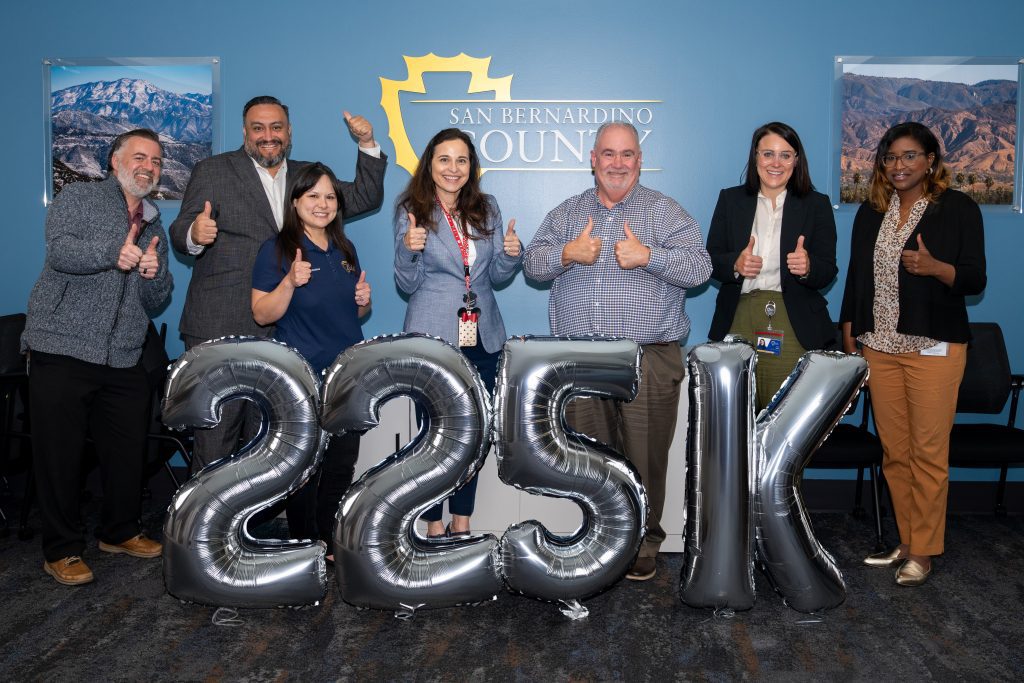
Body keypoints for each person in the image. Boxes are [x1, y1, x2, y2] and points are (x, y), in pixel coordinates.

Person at [524, 121, 712, 581]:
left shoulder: (665, 213)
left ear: (639, 161)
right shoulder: (569, 213)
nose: (617, 163)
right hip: (583, 359)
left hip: (648, 353)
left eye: (627, 154)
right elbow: (532, 264)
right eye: (608, 154)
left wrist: (650, 257)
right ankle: (604, 534)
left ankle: (646, 541)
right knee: (592, 456)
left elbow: (700, 268)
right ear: (593, 159)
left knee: (645, 455)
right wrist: (568, 252)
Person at [170, 96, 386, 469]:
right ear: (245, 132)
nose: (267, 136)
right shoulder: (213, 170)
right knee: (216, 436)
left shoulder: (307, 180)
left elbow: (365, 195)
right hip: (222, 324)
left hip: (283, 334)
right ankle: (208, 526)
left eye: (276, 127)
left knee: (269, 442)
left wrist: (367, 143)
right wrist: (195, 232)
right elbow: (179, 231)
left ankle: (262, 523)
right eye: (258, 128)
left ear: (289, 133)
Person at [21, 129, 173, 585]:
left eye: (157, 161)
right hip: (62, 345)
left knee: (127, 450)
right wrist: (114, 253)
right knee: (60, 455)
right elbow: (61, 252)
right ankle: (62, 549)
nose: (149, 166)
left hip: (123, 354)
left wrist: (151, 274)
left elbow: (159, 295)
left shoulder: (154, 222)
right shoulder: (80, 198)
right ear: (114, 161)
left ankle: (120, 530)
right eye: (140, 157)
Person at [840, 121, 986, 586]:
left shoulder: (957, 208)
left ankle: (923, 550)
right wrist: (851, 332)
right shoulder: (870, 211)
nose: (899, 165)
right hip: (880, 346)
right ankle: (905, 541)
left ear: (930, 161)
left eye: (909, 156)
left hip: (933, 348)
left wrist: (936, 268)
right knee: (894, 452)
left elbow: (974, 279)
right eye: (890, 157)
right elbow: (857, 279)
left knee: (927, 453)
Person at [394, 128, 522, 539]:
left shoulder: (487, 207)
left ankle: (461, 521)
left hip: (483, 335)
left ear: (472, 167)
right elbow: (407, 282)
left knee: (474, 432)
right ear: (430, 164)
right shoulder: (412, 208)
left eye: (462, 160)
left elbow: (496, 276)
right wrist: (407, 249)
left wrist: (511, 255)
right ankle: (432, 522)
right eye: (445, 160)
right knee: (432, 435)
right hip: (432, 334)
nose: (453, 169)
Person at [251, 162, 371, 560]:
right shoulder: (278, 249)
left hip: (346, 373)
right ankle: (306, 541)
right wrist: (289, 281)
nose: (323, 204)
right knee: (306, 467)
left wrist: (362, 303)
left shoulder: (345, 248)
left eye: (330, 197)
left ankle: (328, 535)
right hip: (302, 374)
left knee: (341, 462)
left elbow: (347, 315)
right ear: (296, 201)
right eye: (314, 196)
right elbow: (262, 314)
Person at [706, 122, 838, 409]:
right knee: (735, 415)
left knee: (785, 415)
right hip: (738, 317)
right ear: (755, 157)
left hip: (793, 321)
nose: (776, 163)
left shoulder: (816, 204)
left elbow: (829, 269)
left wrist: (808, 266)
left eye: (785, 155)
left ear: (796, 161)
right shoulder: (731, 200)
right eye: (768, 154)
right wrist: (735, 263)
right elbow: (710, 260)